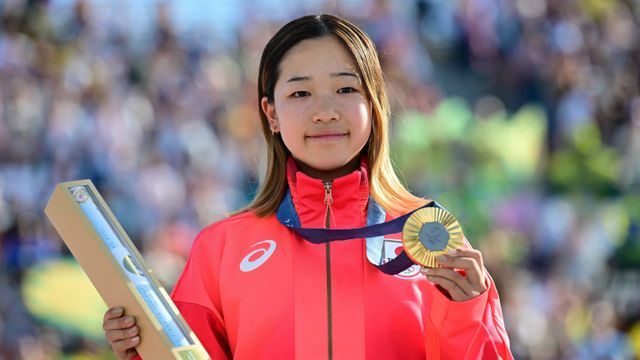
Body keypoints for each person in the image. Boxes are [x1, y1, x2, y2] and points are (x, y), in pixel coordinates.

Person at [102, 14, 513, 359]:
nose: (324, 112)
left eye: (346, 89)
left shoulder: (428, 233)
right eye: (300, 93)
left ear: (373, 105)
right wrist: (141, 348)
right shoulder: (221, 248)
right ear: (271, 112)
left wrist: (469, 312)